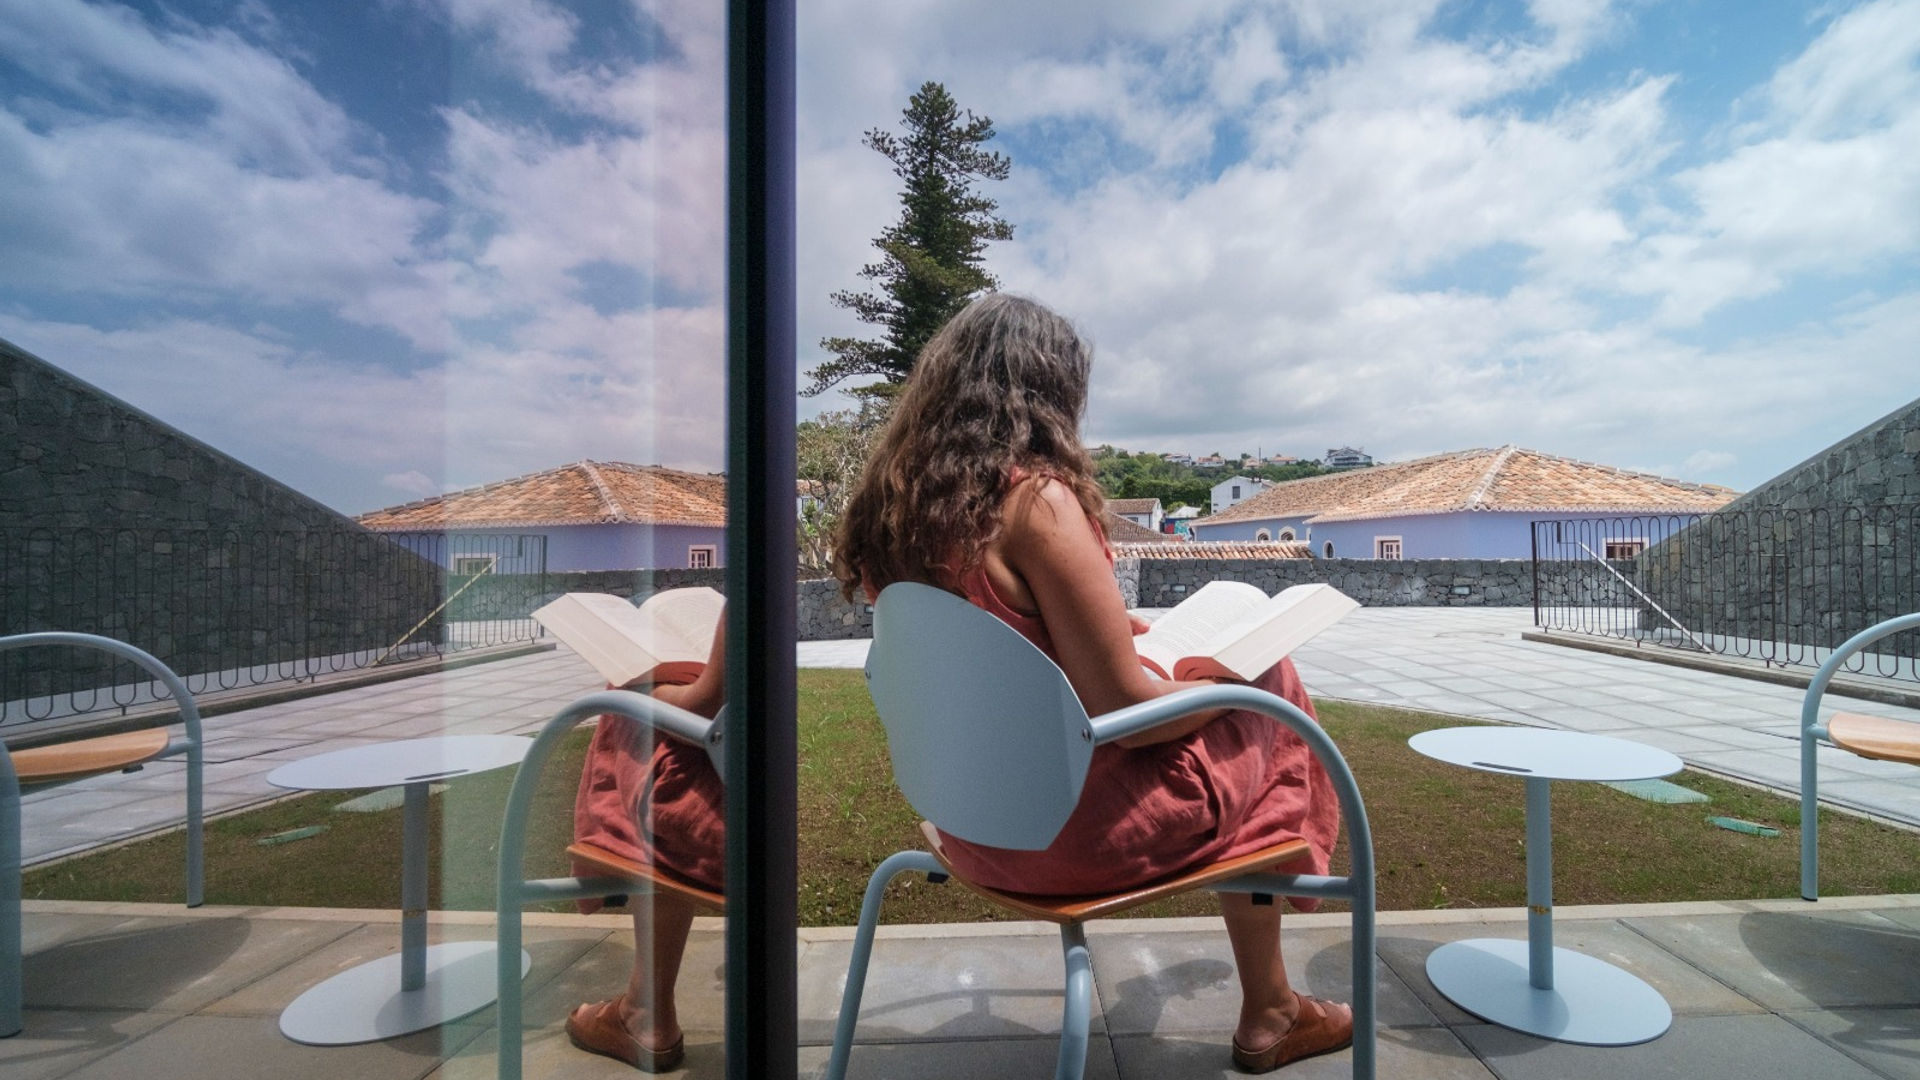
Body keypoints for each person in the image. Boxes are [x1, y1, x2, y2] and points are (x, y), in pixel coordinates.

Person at [833, 293, 1352, 1073]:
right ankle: (1273, 1005)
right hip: (1068, 837)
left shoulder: (895, 520)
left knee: (1237, 700)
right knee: (1268, 684)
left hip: (970, 826)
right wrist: (1209, 680)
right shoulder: (1034, 501)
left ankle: (1274, 1000)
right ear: (1049, 392)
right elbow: (1129, 717)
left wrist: (1089, 642)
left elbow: (995, 655)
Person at [564, 612, 726, 1072]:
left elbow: (705, 707)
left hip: (711, 833)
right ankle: (644, 1006)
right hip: (761, 806)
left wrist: (645, 689)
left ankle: (644, 1014)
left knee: (624, 700)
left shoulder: (754, 582)